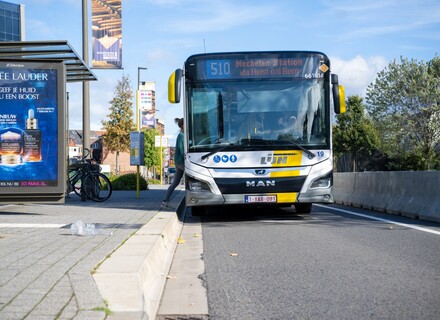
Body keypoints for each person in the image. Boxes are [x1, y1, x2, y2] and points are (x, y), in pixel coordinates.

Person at [162, 118, 184, 208]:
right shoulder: (182, 135)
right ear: (183, 125)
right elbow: (182, 150)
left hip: (178, 161)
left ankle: (165, 201)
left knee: (175, 183)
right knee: (193, 176)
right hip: (181, 161)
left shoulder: (181, 134)